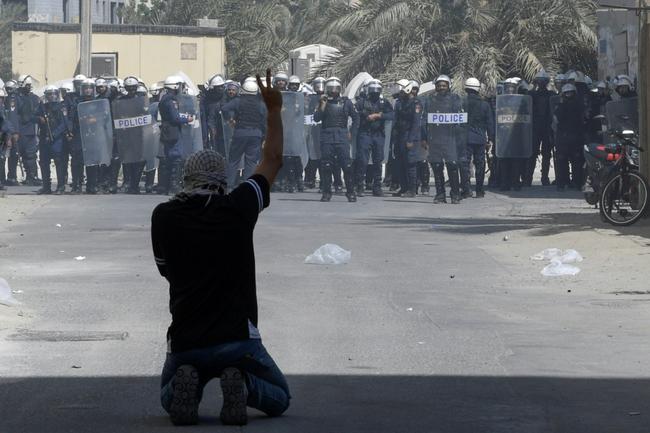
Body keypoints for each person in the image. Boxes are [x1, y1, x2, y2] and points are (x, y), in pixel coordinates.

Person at [152, 69, 290, 427]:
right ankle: (241, 382)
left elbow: (165, 268)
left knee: (170, 400)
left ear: (186, 178)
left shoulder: (165, 215)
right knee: (279, 398)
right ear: (224, 181)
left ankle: (190, 383)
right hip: (236, 337)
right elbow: (272, 160)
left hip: (186, 337)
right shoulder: (239, 206)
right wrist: (273, 110)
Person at [313, 76, 359, 202]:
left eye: (335, 88)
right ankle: (327, 192)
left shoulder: (346, 102)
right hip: (327, 136)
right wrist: (322, 104)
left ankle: (350, 192)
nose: (333, 90)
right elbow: (316, 118)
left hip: (342, 135)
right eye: (331, 88)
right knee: (326, 165)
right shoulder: (323, 101)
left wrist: (352, 132)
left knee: (347, 165)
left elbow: (356, 118)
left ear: (339, 89)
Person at [423, 75, 463, 203]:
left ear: (448, 86)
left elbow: (460, 117)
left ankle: (455, 195)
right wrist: (424, 138)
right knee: (436, 166)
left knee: (452, 165)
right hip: (434, 138)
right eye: (439, 85)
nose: (441, 88)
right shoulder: (430, 100)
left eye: (444, 85)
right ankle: (440, 195)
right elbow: (424, 120)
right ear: (435, 86)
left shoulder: (455, 98)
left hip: (450, 138)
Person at [221, 77, 267, 189]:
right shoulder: (261, 104)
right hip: (256, 134)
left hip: (240, 133)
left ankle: (229, 184)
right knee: (251, 161)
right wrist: (264, 136)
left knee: (233, 159)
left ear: (242, 90)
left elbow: (224, 108)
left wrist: (231, 118)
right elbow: (265, 120)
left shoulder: (238, 101)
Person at [355, 80, 394, 196]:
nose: (375, 93)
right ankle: (360, 186)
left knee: (378, 160)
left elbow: (392, 115)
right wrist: (365, 116)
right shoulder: (361, 102)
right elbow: (355, 113)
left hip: (378, 134)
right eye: (373, 91)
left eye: (377, 91)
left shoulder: (383, 102)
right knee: (362, 161)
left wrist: (379, 115)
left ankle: (377, 187)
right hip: (365, 133)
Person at [157, 75, 194, 195]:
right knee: (175, 157)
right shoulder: (170, 101)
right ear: (175, 86)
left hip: (167, 131)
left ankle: (165, 186)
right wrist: (186, 119)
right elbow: (174, 117)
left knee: (169, 157)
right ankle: (174, 186)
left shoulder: (163, 99)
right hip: (172, 131)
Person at [462, 78, 494, 198]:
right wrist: (490, 138)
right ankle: (479, 190)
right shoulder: (485, 105)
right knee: (480, 164)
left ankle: (466, 190)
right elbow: (490, 123)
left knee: (465, 164)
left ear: (466, 88)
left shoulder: (461, 103)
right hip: (480, 139)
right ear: (478, 89)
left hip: (465, 138)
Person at [35, 86, 70, 194]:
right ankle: (46, 186)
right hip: (44, 139)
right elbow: (33, 117)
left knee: (59, 162)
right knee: (44, 163)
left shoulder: (61, 107)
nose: (52, 96)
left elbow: (65, 124)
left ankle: (60, 187)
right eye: (49, 94)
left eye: (54, 94)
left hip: (57, 139)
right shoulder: (43, 107)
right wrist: (39, 118)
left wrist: (54, 135)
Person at [527, 70, 555, 186]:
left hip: (545, 127)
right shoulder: (532, 95)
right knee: (535, 153)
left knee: (545, 154)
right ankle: (530, 177)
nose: (541, 83)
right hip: (537, 127)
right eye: (540, 81)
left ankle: (539, 178)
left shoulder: (550, 95)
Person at [554, 84, 585, 190]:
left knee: (576, 161)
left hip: (576, 137)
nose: (568, 95)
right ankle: (562, 182)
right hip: (563, 137)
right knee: (561, 160)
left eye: (570, 93)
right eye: (566, 93)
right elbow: (556, 120)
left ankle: (576, 182)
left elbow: (582, 120)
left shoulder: (579, 105)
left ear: (574, 93)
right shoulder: (560, 106)